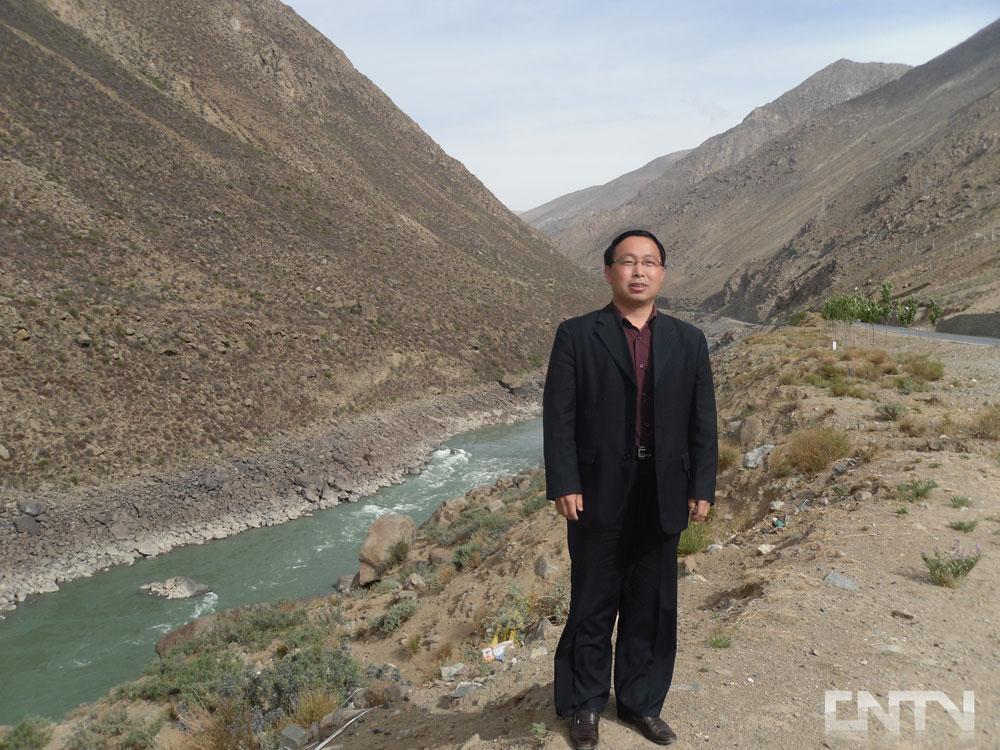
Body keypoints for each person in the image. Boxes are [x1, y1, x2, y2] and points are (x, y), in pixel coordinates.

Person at [543, 229, 718, 748]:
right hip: (596, 490)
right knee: (593, 600)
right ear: (608, 272)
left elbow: (703, 421)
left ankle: (642, 703)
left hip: (664, 489)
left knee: (653, 602)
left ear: (662, 273)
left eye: (649, 262)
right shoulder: (577, 335)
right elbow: (559, 417)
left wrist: (702, 485)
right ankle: (585, 703)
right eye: (627, 262)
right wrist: (565, 481)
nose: (638, 271)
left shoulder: (689, 340)